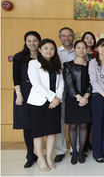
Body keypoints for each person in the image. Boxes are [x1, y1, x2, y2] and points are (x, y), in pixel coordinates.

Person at [27, 39, 63, 171]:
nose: (49, 51)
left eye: (52, 48)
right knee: (39, 132)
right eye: (46, 48)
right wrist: (52, 97)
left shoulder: (56, 64)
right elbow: (36, 85)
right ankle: (40, 158)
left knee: (51, 131)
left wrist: (57, 98)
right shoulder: (33, 64)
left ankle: (49, 156)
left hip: (55, 102)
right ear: (40, 50)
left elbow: (61, 83)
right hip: (39, 102)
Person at [13, 31, 41, 168]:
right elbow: (16, 77)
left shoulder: (43, 56)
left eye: (35, 40)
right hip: (24, 90)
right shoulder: (19, 57)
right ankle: (30, 154)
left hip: (40, 91)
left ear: (39, 41)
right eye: (29, 41)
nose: (32, 43)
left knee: (38, 123)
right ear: (25, 42)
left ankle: (40, 153)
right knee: (27, 124)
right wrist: (18, 94)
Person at [63, 40, 92, 165]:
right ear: (74, 49)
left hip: (87, 99)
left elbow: (92, 82)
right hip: (73, 99)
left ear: (86, 49)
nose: (81, 50)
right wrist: (78, 97)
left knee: (84, 125)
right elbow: (69, 83)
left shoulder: (91, 64)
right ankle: (74, 151)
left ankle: (81, 152)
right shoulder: (68, 64)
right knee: (73, 126)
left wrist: (85, 96)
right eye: (78, 48)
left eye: (83, 48)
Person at [54, 27, 76, 163]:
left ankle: (75, 148)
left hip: (75, 91)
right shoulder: (55, 52)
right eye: (64, 36)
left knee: (76, 121)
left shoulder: (79, 50)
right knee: (60, 121)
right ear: (60, 37)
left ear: (73, 37)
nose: (66, 38)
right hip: (59, 92)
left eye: (69, 36)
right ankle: (60, 150)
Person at [81, 32, 96, 153]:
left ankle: (88, 141)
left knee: (91, 117)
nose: (89, 40)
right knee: (83, 118)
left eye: (91, 38)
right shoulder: (80, 53)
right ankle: (83, 143)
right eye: (87, 38)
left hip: (94, 89)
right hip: (82, 88)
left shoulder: (97, 54)